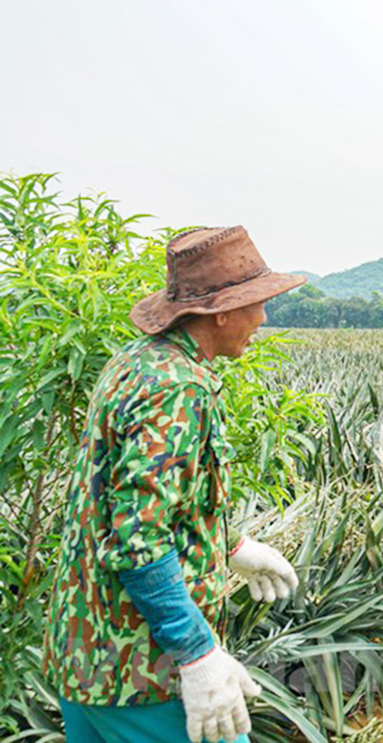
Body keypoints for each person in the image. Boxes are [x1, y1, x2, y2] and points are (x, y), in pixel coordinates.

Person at [44, 227, 307, 743]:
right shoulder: (176, 388)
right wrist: (198, 654)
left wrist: (232, 546)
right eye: (255, 305)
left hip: (86, 656)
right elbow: (138, 538)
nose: (263, 319)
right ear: (221, 312)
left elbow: (120, 496)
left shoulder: (137, 361)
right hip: (144, 670)